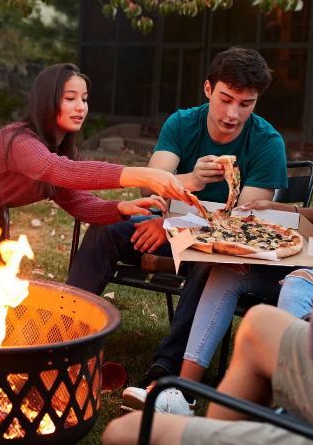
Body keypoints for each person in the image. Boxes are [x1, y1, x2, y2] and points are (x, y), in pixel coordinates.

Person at [126, 54, 313, 415]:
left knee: (295, 285)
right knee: (226, 270)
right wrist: (282, 210)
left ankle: (282, 406)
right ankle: (183, 393)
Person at [68, 48, 288, 404]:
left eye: (245, 104)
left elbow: (243, 223)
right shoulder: (183, 123)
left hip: (216, 248)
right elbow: (148, 185)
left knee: (209, 260)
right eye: (226, 99)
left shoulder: (267, 142)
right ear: (208, 89)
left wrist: (173, 227)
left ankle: (166, 372)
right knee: (106, 229)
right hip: (169, 228)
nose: (232, 114)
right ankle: (67, 336)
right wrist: (191, 181)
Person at [0, 63, 191, 231]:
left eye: (84, 99)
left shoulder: (60, 149)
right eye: (70, 98)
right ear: (47, 100)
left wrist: (120, 207)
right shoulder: (19, 141)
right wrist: (144, 175)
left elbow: (79, 203)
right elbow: (61, 171)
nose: (81, 107)